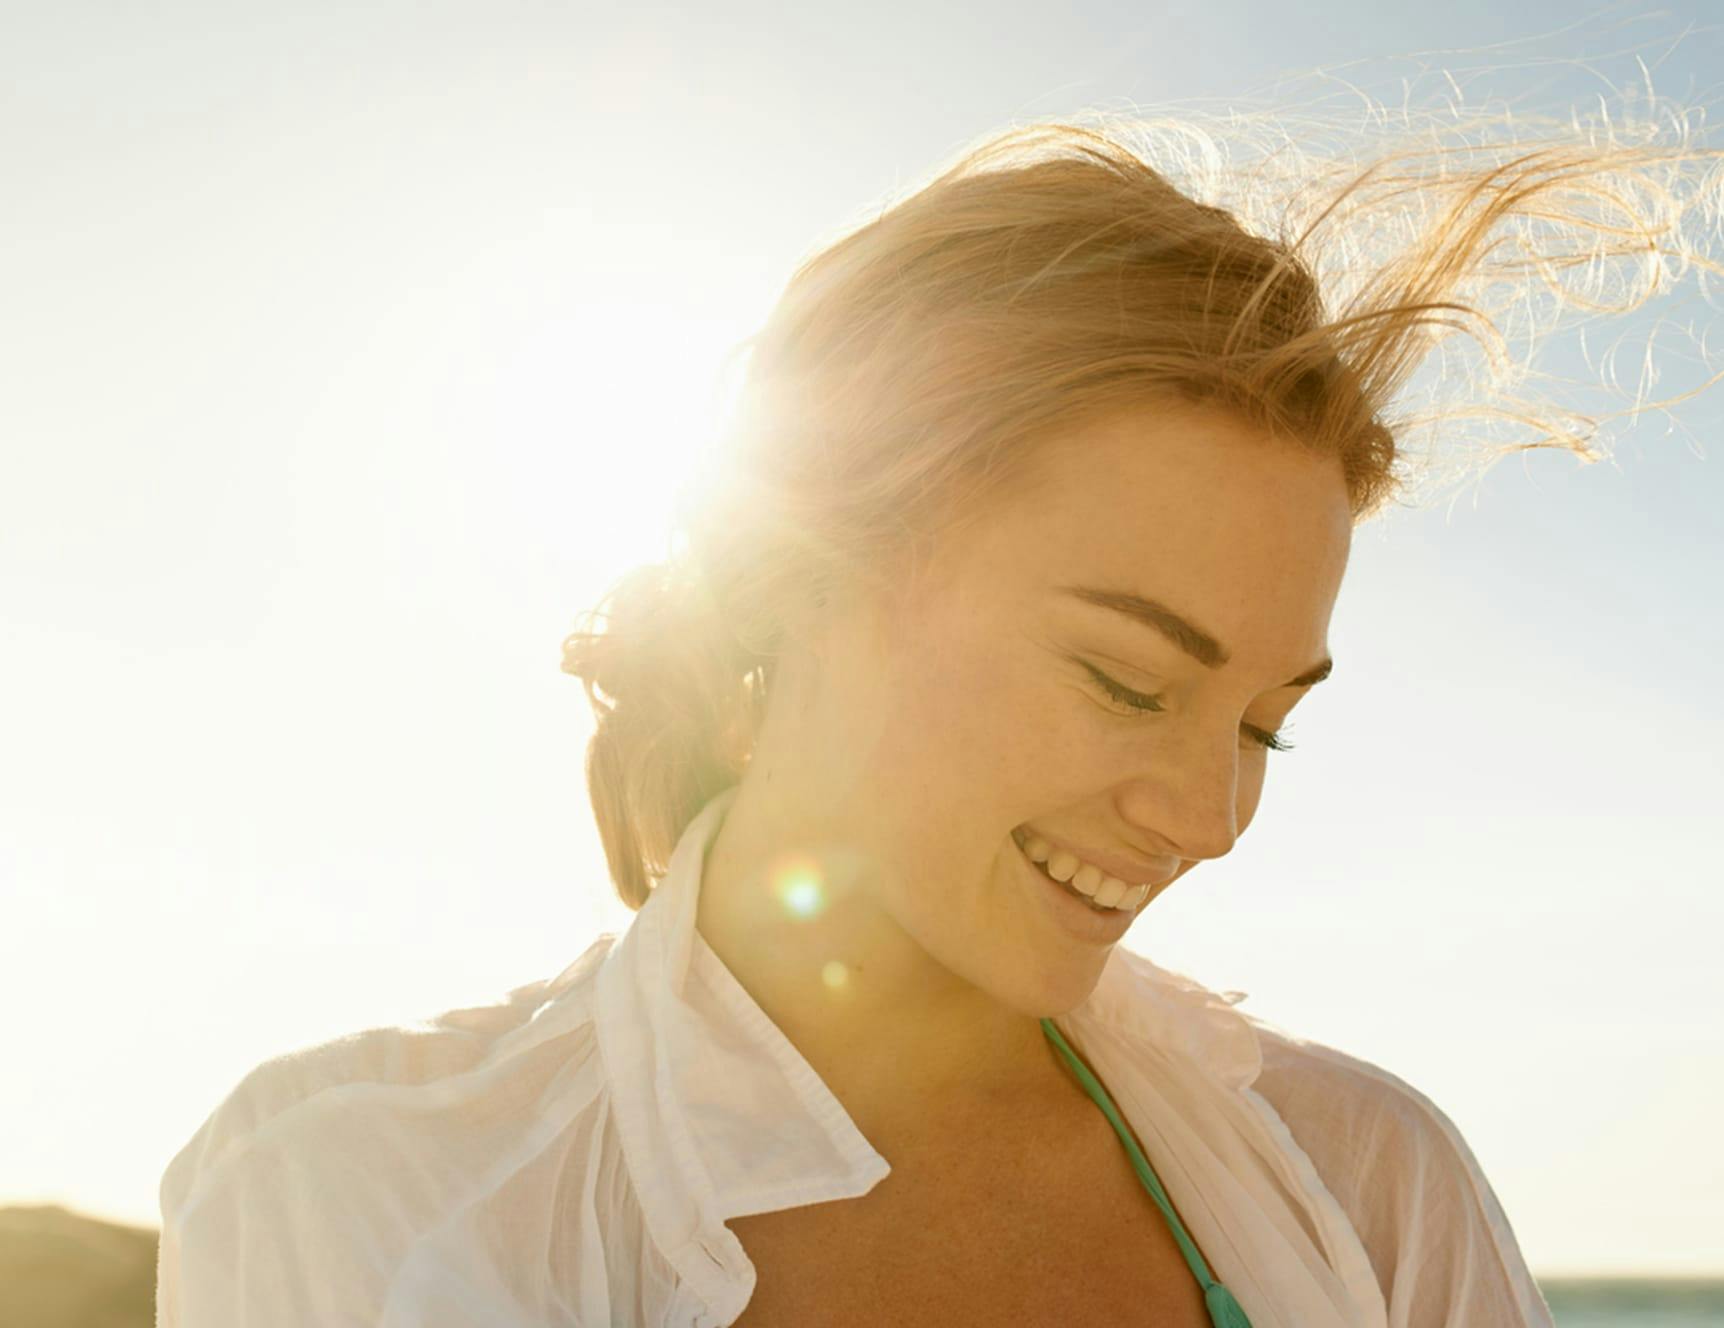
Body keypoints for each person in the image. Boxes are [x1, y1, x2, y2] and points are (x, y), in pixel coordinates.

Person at [156, 106, 1721, 1327]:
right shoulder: (353, 1192)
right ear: (805, 578)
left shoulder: (1373, 1188)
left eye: (1261, 723)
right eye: (1128, 679)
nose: (1208, 816)